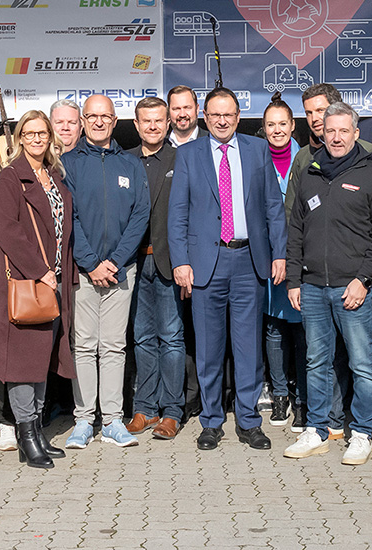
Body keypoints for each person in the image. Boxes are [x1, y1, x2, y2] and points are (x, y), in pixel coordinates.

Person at [169, 88, 286, 452]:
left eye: (229, 115)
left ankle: (249, 421)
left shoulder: (257, 150)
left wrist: (279, 253)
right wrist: (181, 261)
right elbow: (178, 212)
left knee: (249, 347)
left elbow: (273, 206)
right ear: (204, 117)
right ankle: (211, 421)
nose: (222, 121)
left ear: (238, 117)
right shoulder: (188, 154)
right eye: (215, 115)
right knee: (208, 348)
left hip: (248, 260)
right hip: (207, 262)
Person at [281, 101, 372, 466]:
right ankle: (317, 430)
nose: (336, 137)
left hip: (353, 288)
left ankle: (362, 432)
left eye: (343, 131)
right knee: (317, 361)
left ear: (355, 133)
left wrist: (364, 279)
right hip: (313, 286)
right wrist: (295, 280)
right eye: (330, 130)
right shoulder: (310, 173)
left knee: (362, 363)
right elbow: (296, 231)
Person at [62, 95, 152, 449]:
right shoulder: (67, 164)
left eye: (106, 116)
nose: (99, 122)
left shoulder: (131, 164)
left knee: (114, 346)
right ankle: (84, 421)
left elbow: (140, 215)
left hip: (120, 271)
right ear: (83, 121)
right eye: (92, 116)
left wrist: (114, 261)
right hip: (83, 272)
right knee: (84, 346)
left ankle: (113, 420)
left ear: (115, 122)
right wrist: (90, 263)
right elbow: (69, 219)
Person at [0, 110, 78, 467]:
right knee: (23, 362)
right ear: (20, 138)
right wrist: (41, 271)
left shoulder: (54, 175)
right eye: (30, 133)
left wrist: (58, 274)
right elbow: (6, 230)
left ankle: (36, 432)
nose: (37, 139)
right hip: (27, 282)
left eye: (43, 133)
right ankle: (25, 434)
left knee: (41, 360)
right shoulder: (10, 178)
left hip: (54, 282)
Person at [130, 96, 191, 440]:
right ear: (136, 125)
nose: (153, 126)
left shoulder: (181, 159)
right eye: (146, 121)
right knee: (141, 338)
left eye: (158, 120)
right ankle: (144, 408)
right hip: (134, 262)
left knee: (171, 338)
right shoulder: (125, 160)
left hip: (168, 262)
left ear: (167, 123)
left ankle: (172, 411)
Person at [258, 95, 304, 430]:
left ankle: (301, 397)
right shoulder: (255, 159)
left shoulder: (307, 159)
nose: (277, 130)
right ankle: (279, 395)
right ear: (264, 128)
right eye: (271, 124)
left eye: (282, 124)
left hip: (302, 256)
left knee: (301, 329)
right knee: (274, 327)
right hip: (268, 256)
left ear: (292, 125)